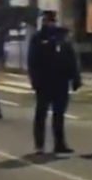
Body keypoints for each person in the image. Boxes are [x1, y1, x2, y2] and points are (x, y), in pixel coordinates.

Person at [28, 10, 81, 154]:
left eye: (51, 20)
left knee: (59, 115)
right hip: (44, 82)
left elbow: (71, 59)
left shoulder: (62, 37)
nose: (48, 23)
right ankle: (39, 145)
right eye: (46, 20)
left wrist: (75, 78)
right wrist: (34, 80)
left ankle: (60, 144)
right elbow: (32, 61)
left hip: (61, 82)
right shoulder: (38, 38)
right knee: (41, 114)